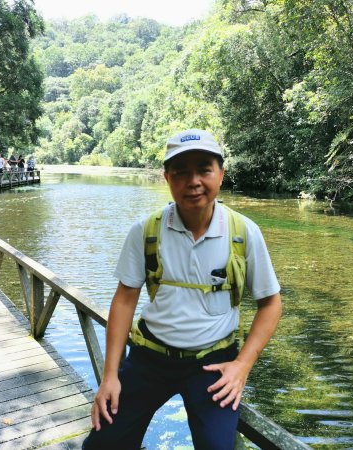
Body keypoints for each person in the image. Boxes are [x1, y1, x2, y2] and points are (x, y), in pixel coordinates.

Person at [82, 129, 282, 450]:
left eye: (204, 169)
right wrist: (110, 376)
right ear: (167, 178)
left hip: (212, 364)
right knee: (102, 444)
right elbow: (124, 300)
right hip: (150, 357)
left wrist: (243, 365)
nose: (194, 181)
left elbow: (270, 304)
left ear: (221, 174)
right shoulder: (146, 231)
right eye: (181, 172)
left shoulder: (244, 233)